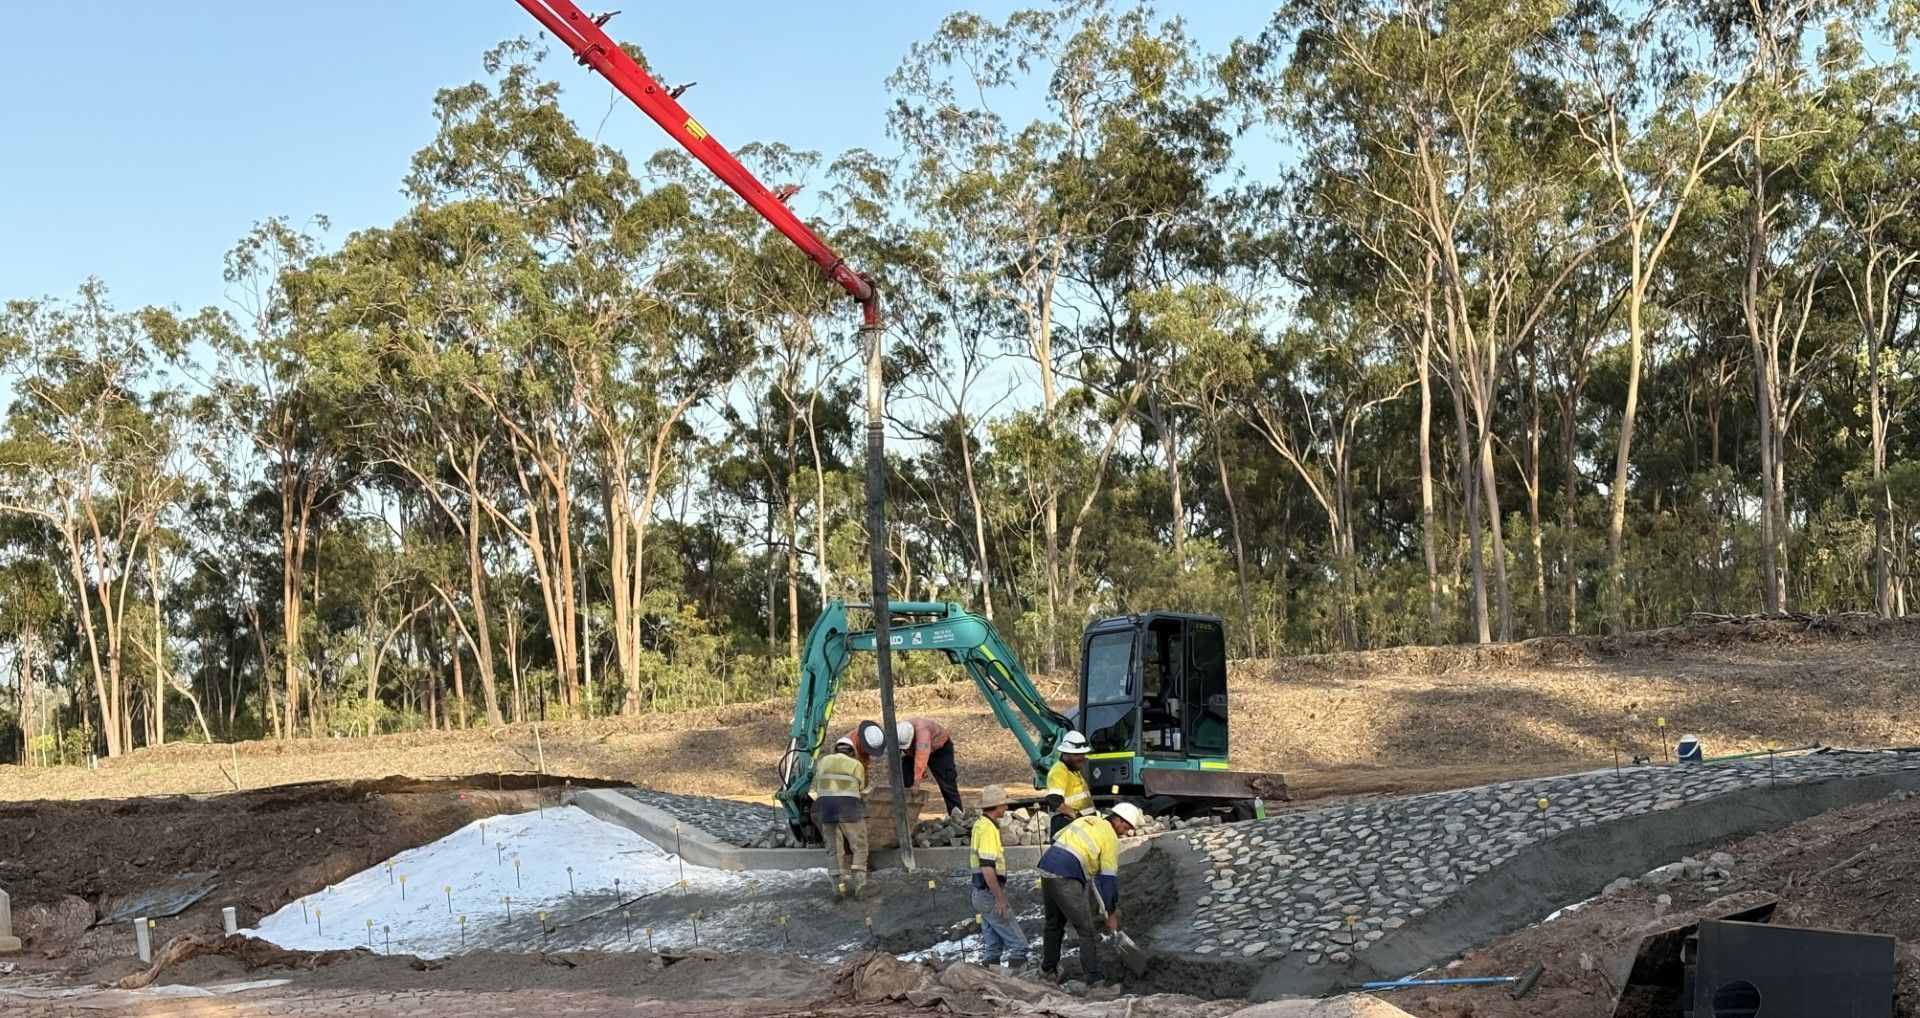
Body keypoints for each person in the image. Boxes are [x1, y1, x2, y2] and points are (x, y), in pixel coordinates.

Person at [1038, 802, 1145, 988]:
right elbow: (1108, 879)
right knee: (1086, 930)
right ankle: (1094, 981)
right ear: (1117, 819)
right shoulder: (1110, 837)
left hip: (1047, 866)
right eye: (1126, 826)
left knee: (1054, 923)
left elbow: (1057, 839)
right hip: (1065, 874)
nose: (1125, 832)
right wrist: (1111, 912)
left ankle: (1048, 971)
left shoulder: (1088, 820)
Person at [970, 784, 1030, 969]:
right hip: (988, 893)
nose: (1007, 808)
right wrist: (999, 898)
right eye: (1004, 805)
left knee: (993, 946)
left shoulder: (981, 824)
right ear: (996, 806)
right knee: (1018, 944)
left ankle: (990, 973)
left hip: (980, 893)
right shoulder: (988, 829)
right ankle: (1020, 979)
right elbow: (987, 868)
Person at [854, 716, 964, 815]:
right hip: (912, 751)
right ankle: (904, 815)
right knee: (904, 777)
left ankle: (956, 814)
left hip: (939, 748)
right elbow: (894, 757)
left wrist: (916, 783)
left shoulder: (923, 733)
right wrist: (892, 778)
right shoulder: (898, 731)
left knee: (947, 781)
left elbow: (921, 758)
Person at [810, 736, 870, 899]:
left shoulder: (822, 762)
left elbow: (819, 786)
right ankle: (860, 885)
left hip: (826, 809)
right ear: (851, 751)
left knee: (834, 848)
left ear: (836, 749)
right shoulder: (855, 764)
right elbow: (861, 788)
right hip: (849, 808)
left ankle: (838, 888)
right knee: (859, 844)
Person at [1042, 731, 1094, 837]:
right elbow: (1053, 799)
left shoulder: (1073, 770)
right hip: (1066, 825)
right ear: (1065, 754)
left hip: (1080, 823)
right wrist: (1072, 813)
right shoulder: (1059, 771)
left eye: (1082, 754)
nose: (1081, 757)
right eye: (1076, 754)